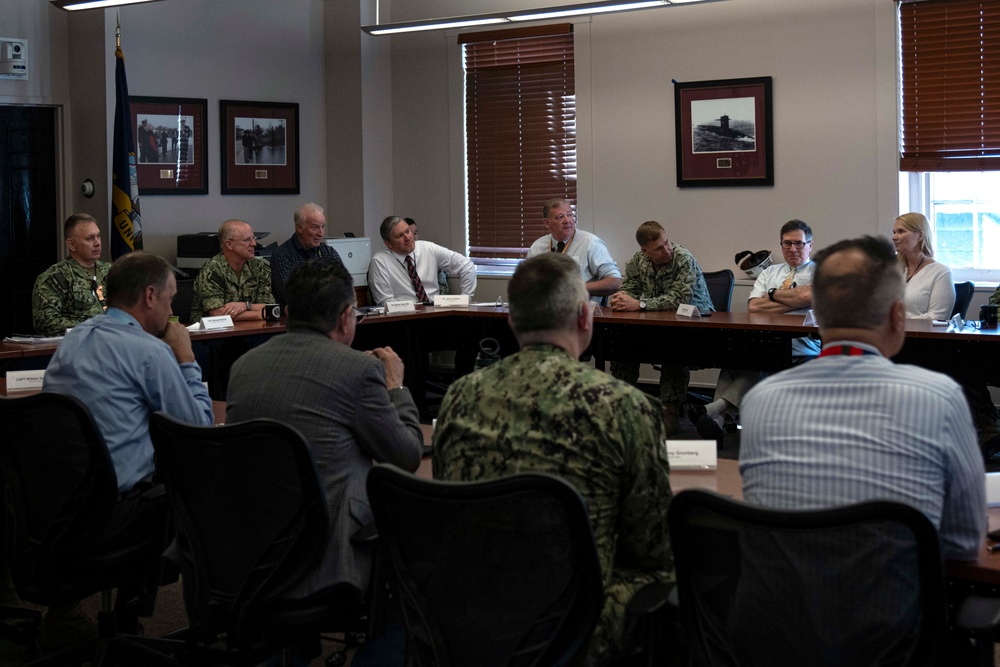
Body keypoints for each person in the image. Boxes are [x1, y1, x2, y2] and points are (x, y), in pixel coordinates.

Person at [433, 253, 673, 664]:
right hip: (580, 624)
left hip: (474, 613)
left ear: (512, 321)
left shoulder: (459, 397)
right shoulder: (626, 406)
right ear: (585, 317)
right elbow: (653, 547)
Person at [740, 235, 985, 560]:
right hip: (890, 605)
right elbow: (963, 542)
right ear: (898, 318)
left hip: (775, 607)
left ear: (819, 316)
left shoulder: (759, 400)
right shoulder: (940, 398)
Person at [41, 251, 214, 649]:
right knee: (188, 489)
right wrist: (186, 358)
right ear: (150, 296)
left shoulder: (71, 343)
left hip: (57, 513)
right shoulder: (149, 352)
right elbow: (198, 434)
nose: (173, 312)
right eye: (171, 301)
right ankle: (135, 620)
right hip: (113, 517)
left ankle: (67, 614)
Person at [227, 259, 423, 599]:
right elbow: (406, 455)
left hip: (252, 546)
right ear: (346, 316)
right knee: (420, 570)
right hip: (329, 552)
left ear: (288, 310)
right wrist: (396, 387)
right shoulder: (359, 370)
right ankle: (374, 654)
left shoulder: (243, 366)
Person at [689, 219, 820, 440]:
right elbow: (754, 308)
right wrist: (796, 301)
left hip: (802, 344)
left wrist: (772, 295)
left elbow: (811, 296)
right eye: (787, 244)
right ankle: (718, 420)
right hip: (765, 339)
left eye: (799, 243)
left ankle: (713, 411)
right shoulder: (770, 273)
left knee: (760, 360)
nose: (793, 249)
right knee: (735, 360)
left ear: (810, 245)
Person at [609, 220, 714, 435]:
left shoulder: (683, 258)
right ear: (645, 251)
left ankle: (670, 410)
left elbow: (679, 298)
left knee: (672, 346)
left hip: (695, 323)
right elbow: (628, 290)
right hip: (657, 319)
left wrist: (639, 304)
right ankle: (624, 406)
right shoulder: (638, 261)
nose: (666, 250)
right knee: (621, 344)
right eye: (658, 248)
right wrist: (621, 300)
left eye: (667, 243)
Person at [368, 215, 476, 305]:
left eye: (408, 231)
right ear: (389, 244)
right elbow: (386, 304)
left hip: (437, 314)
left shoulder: (427, 249)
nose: (408, 237)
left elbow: (467, 266)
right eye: (400, 236)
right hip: (404, 320)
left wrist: (465, 299)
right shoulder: (380, 262)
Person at [32, 213, 110, 336]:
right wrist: (92, 327)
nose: (97, 243)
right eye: (90, 238)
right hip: (77, 344)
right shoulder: (55, 277)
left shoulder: (112, 271)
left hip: (115, 341)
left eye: (98, 237)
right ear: (71, 244)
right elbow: (46, 322)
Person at [526, 198, 622, 298]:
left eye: (569, 215)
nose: (567, 220)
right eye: (560, 217)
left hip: (580, 310)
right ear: (547, 223)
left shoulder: (590, 243)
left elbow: (615, 281)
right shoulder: (537, 248)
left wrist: (577, 288)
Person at [190, 219, 275, 322]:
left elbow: (270, 307)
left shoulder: (259, 267)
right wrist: (259, 315)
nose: (254, 244)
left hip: (251, 329)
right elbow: (217, 315)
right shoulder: (212, 270)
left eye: (254, 238)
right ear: (229, 244)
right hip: (213, 333)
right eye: (247, 240)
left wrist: (246, 306)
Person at [270, 203, 343, 306]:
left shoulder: (328, 252)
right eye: (315, 227)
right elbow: (291, 295)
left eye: (323, 227)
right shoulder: (282, 255)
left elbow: (343, 288)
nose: (321, 233)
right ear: (299, 228)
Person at [894, 212, 955, 320]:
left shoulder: (940, 272)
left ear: (920, 236)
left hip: (919, 335)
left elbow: (937, 317)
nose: (894, 237)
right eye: (894, 232)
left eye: (901, 231)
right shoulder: (894, 269)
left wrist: (899, 323)